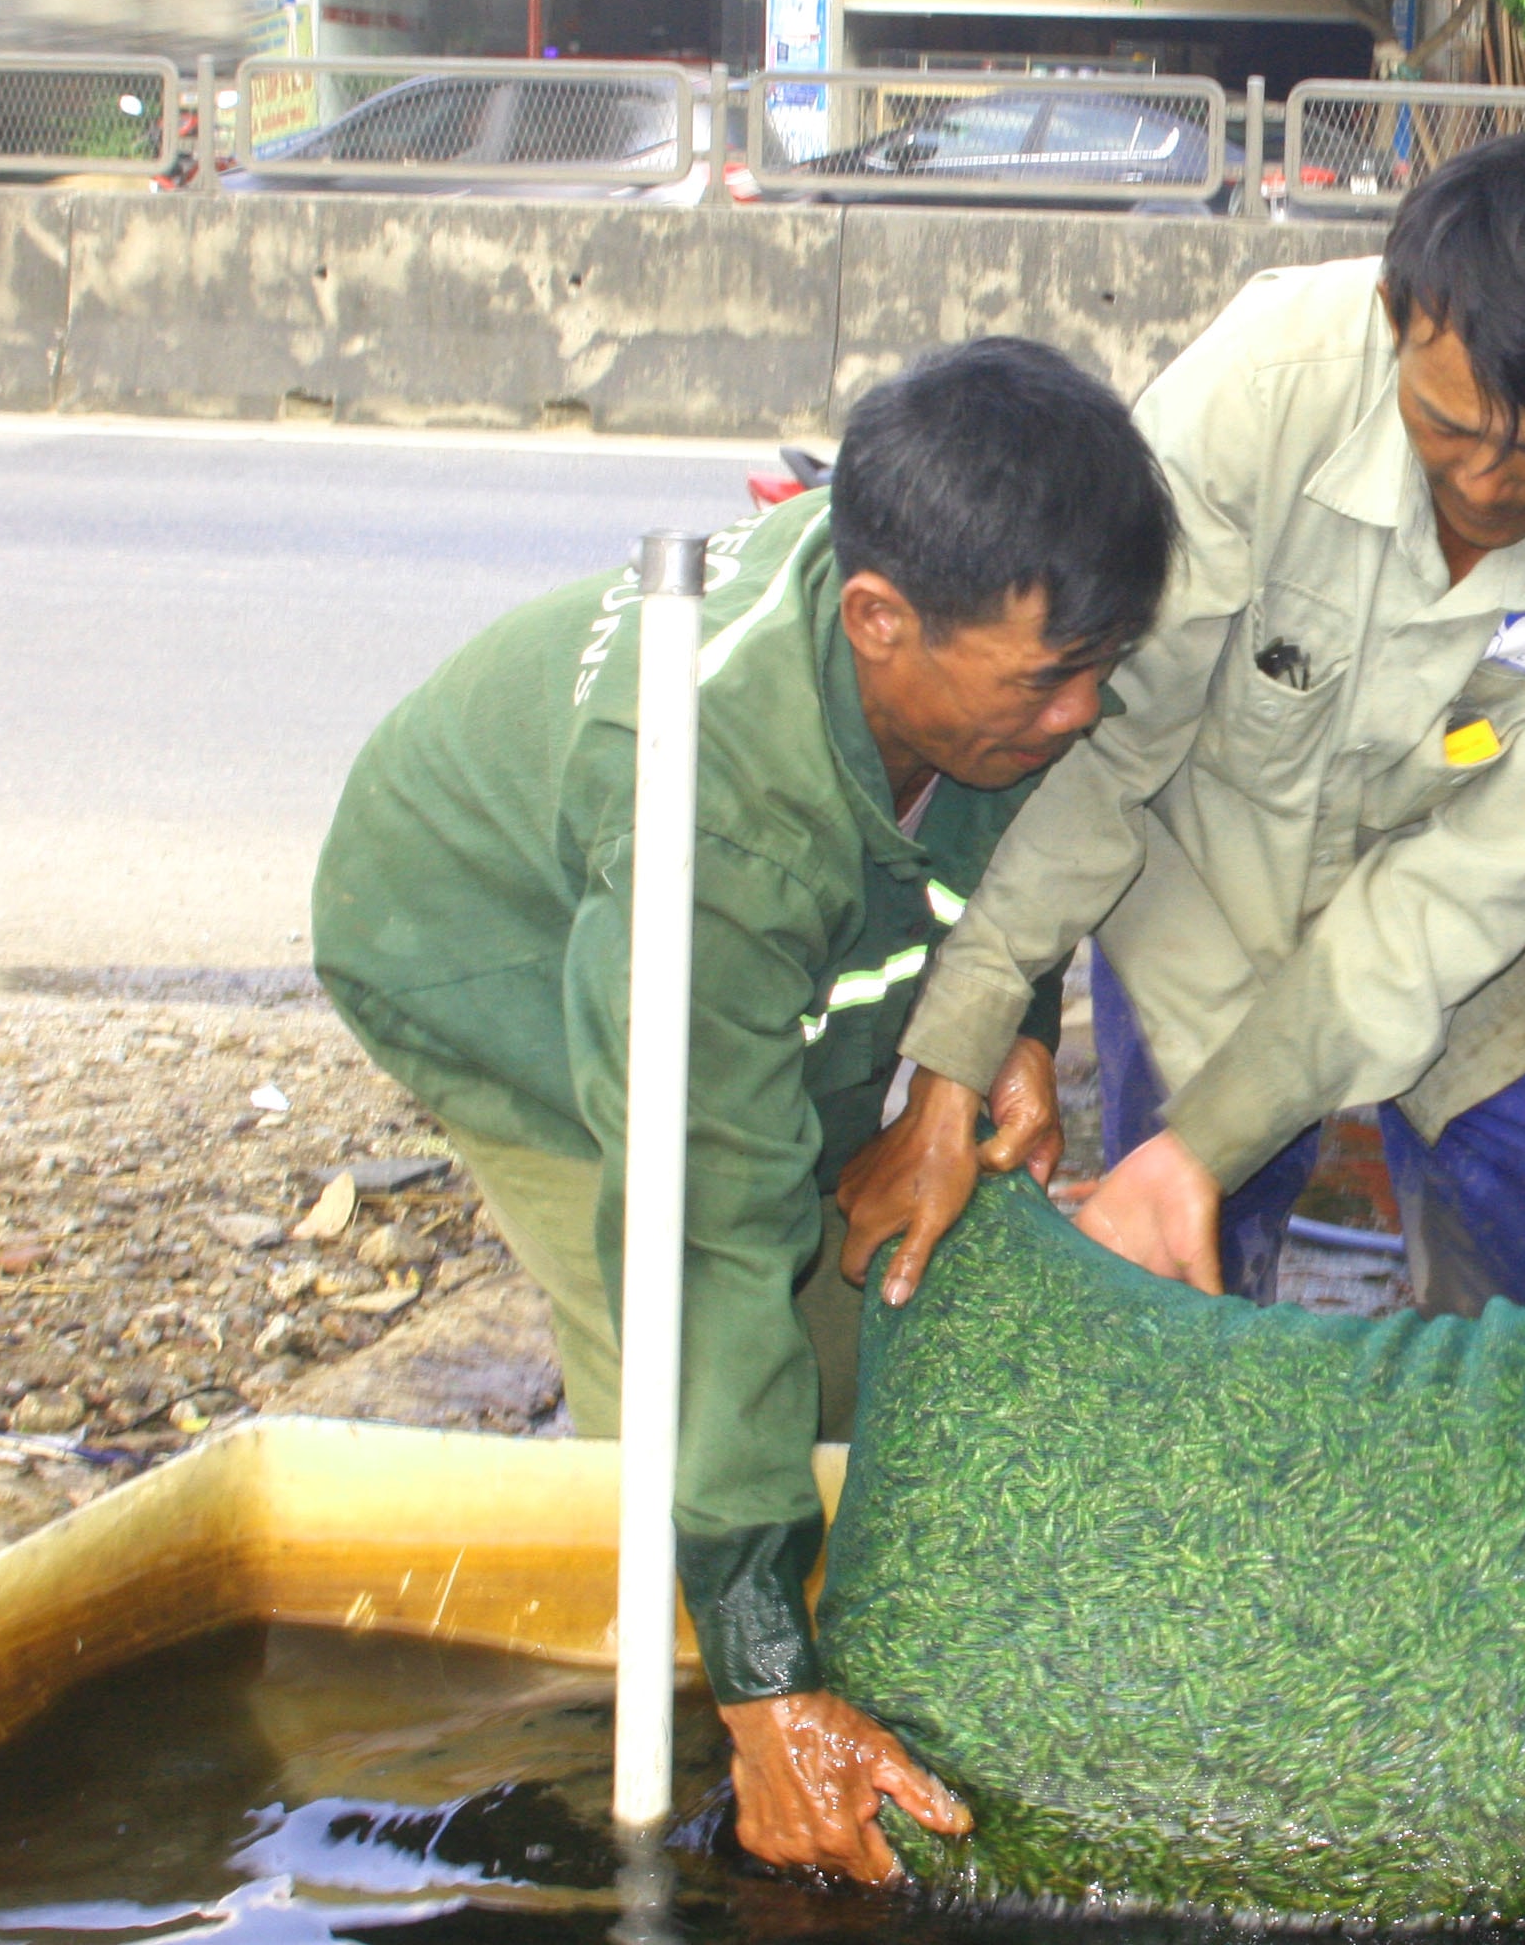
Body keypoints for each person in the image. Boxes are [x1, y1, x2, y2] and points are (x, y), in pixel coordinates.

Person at [310, 341, 1176, 1877]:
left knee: (858, 1306)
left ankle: (777, 1598)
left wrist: (1011, 1037)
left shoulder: (980, 649)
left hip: (766, 933)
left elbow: (1012, 866)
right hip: (478, 948)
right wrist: (769, 1685)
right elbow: (703, 1245)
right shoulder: (716, 826)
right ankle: (683, 1721)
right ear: (877, 622)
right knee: (693, 1353)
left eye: (1105, 665)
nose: (1085, 713)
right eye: (1050, 678)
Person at [844, 135, 1525, 1315]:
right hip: (1201, 878)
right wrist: (959, 1048)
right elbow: (1106, 742)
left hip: (1493, 935)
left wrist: (1211, 1137)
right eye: (1446, 423)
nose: (1486, 482)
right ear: (1396, 318)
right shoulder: (1263, 384)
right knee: (1173, 1294)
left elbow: (1465, 887)